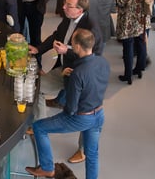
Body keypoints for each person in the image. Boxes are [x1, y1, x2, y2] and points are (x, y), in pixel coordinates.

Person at [27, 28, 109, 179]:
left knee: (39, 127)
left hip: (81, 117)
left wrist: (69, 80)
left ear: (77, 46)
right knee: (92, 155)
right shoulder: (102, 62)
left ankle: (47, 168)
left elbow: (71, 108)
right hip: (99, 114)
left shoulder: (78, 73)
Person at [114, 0, 155, 84]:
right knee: (142, 42)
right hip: (143, 17)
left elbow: (120, 1)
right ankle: (139, 69)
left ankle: (127, 75)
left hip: (127, 20)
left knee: (128, 46)